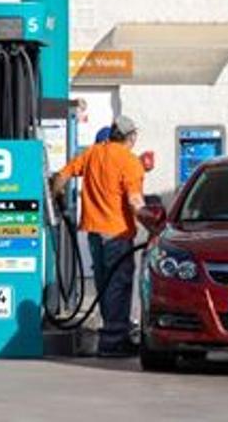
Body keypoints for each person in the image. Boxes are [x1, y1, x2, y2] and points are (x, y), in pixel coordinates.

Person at [52, 115, 154, 357]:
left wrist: (56, 202)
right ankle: (114, 342)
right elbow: (135, 203)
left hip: (93, 232)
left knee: (104, 283)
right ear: (131, 137)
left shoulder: (92, 153)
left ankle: (111, 335)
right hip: (117, 233)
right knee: (118, 284)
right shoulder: (130, 162)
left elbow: (61, 176)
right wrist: (154, 226)